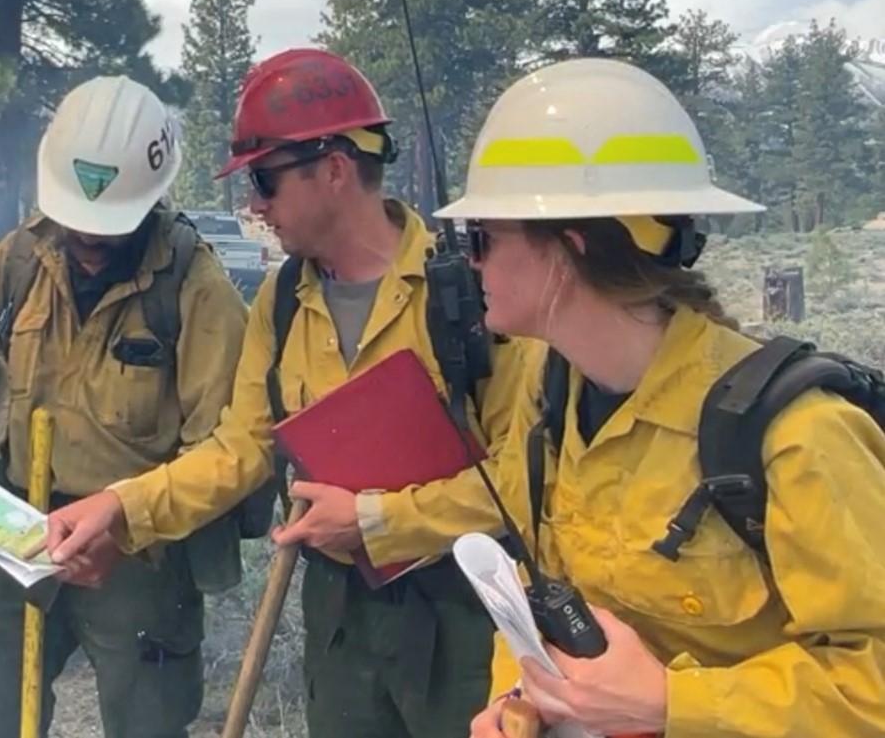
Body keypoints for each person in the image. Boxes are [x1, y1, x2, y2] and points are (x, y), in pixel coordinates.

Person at [44, 48, 543, 738]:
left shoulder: (470, 295)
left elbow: (523, 479)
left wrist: (376, 520)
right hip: (338, 615)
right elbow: (241, 449)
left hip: (464, 616)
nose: (254, 203)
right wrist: (121, 507)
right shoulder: (281, 301)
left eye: (265, 180)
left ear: (335, 169)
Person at [452, 58, 885, 737]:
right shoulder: (552, 402)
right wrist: (522, 701)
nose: (469, 262)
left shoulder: (798, 436)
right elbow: (547, 599)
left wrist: (672, 702)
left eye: (480, 238)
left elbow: (873, 685)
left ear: (568, 248)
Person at [0, 75, 249, 738]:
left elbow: (223, 451)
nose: (89, 239)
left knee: (148, 722)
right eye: (78, 219)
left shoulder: (197, 288)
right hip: (20, 533)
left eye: (108, 224)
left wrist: (125, 526)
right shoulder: (18, 262)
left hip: (139, 554)